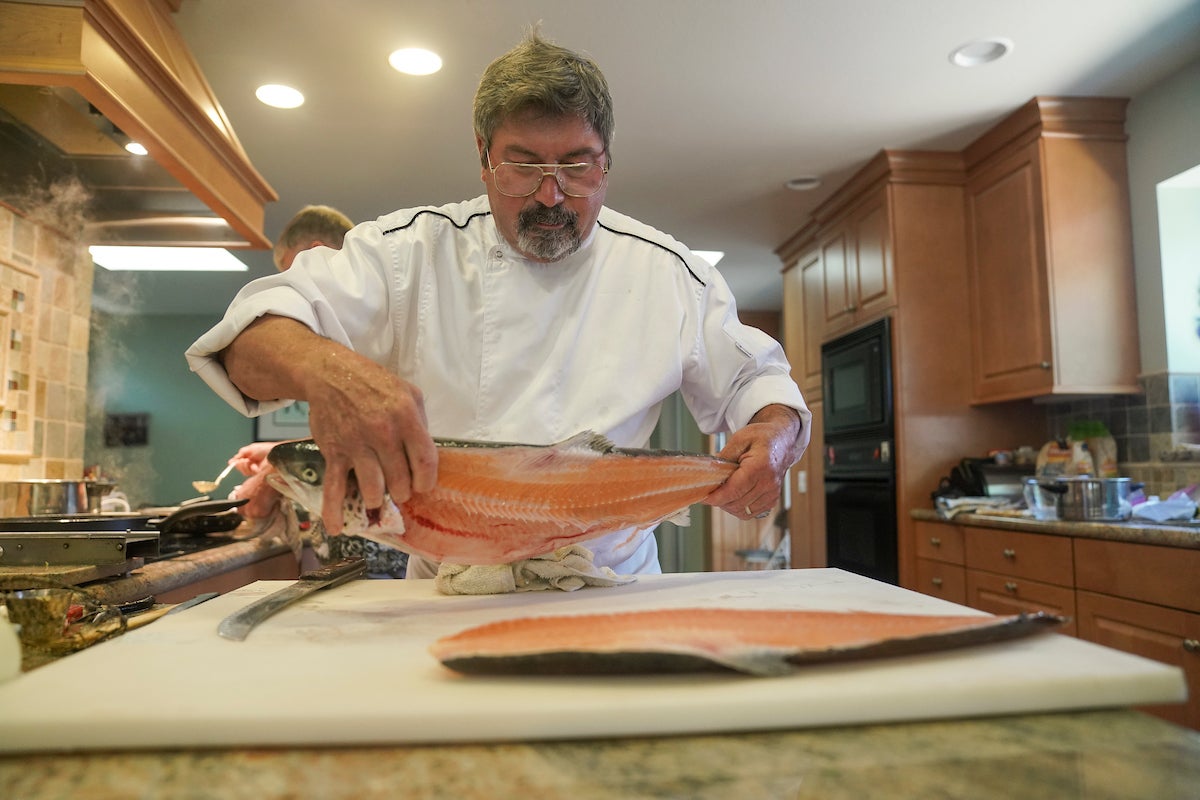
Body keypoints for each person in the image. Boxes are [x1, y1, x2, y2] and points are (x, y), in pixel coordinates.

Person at [186, 29, 811, 580]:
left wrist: (774, 437)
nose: (550, 194)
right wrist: (328, 372)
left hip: (612, 587)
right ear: (483, 156)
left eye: (576, 165)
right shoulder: (407, 251)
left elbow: (759, 381)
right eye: (522, 165)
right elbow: (247, 340)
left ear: (607, 163)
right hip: (443, 586)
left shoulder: (669, 272)